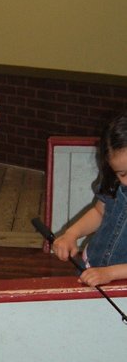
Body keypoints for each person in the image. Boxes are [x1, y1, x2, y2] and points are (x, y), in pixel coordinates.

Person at [52, 113, 127, 286]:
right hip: (94, 268)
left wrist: (110, 273)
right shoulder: (114, 183)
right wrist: (71, 234)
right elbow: (99, 212)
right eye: (122, 174)